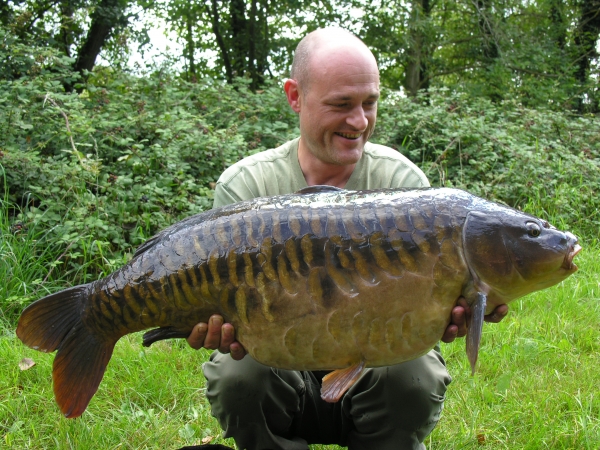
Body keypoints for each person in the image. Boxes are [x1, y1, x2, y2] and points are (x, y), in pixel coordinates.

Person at [186, 28, 508, 450]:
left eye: (369, 104)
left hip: (377, 367)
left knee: (414, 377)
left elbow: (437, 302)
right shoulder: (246, 187)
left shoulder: (403, 184)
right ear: (295, 97)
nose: (359, 122)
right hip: (282, 365)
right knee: (239, 377)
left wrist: (458, 308)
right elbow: (220, 313)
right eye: (341, 105)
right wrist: (210, 323)